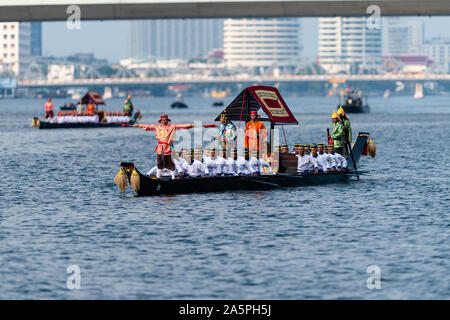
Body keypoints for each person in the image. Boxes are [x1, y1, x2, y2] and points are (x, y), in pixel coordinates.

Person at [135, 114, 195, 179]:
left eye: (165, 120)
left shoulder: (172, 126)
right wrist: (139, 125)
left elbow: (182, 126)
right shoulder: (157, 127)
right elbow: (148, 127)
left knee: (171, 163)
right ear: (161, 121)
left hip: (169, 147)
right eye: (163, 120)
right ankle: (157, 177)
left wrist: (191, 125)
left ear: (167, 121)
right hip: (160, 147)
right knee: (159, 162)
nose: (164, 121)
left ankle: (173, 178)